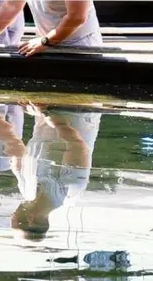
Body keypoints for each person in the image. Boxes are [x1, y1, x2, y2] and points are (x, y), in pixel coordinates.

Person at [9, 103, 101, 241]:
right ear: (31, 218)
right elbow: (76, 144)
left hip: (44, 111)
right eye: (15, 221)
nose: (11, 215)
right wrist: (46, 113)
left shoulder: (26, 191)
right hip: (79, 111)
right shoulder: (70, 191)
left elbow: (16, 152)